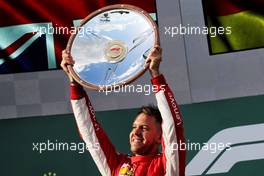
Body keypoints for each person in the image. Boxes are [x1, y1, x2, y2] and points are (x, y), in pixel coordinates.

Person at [61, 46, 186, 176]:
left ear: (160, 137)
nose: (136, 132)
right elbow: (90, 134)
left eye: (144, 128)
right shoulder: (116, 165)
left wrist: (156, 74)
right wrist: (75, 83)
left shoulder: (167, 166)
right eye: (134, 127)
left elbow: (173, 127)